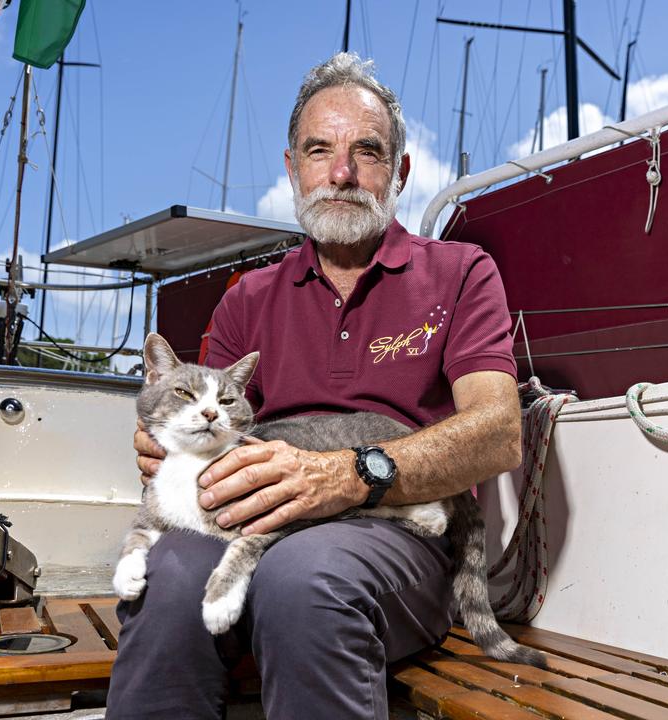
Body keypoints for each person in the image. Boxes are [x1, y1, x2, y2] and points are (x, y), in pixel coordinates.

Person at [106, 52, 520, 719]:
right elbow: (211, 428)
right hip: (255, 521)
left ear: (401, 172)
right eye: (318, 149)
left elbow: (499, 433)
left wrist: (352, 474)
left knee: (305, 578)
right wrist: (163, 447)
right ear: (292, 168)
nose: (342, 173)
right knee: (167, 576)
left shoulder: (462, 273)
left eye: (368, 151)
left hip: (395, 532)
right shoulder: (248, 299)